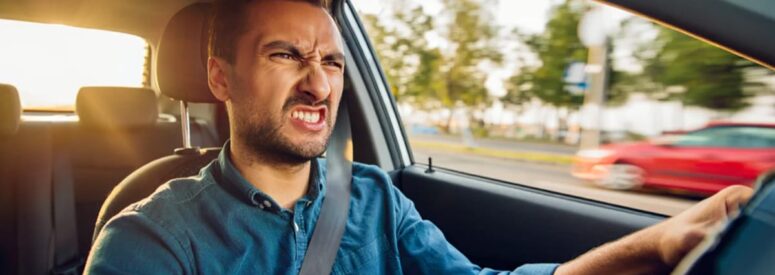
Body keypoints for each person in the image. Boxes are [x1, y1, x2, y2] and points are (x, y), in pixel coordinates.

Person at [85, 0, 754, 274]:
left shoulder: (375, 197)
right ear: (219, 77)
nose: (319, 86)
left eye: (332, 62)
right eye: (285, 55)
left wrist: (660, 242)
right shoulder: (150, 240)